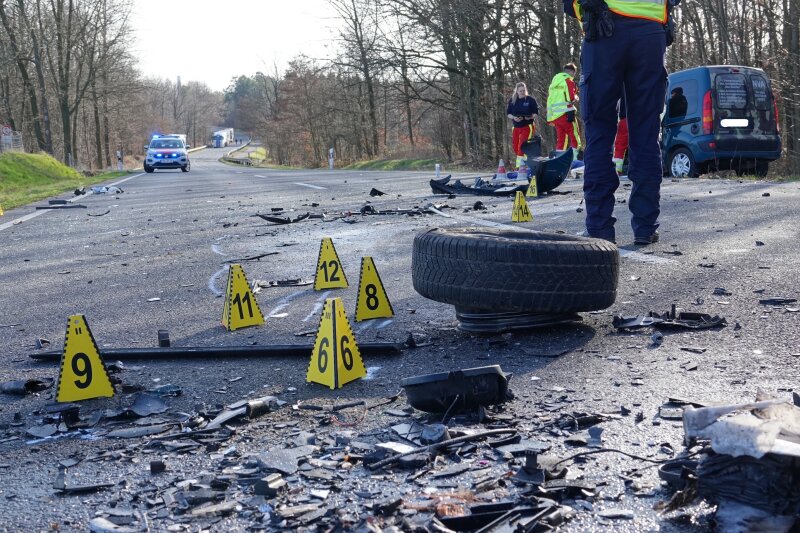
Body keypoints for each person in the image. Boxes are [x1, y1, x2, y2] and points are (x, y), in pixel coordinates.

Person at [565, 0, 677, 245]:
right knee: (646, 134)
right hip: (650, 32)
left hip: (604, 28)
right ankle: (646, 227)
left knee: (599, 134)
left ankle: (599, 227)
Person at [547, 63, 581, 153]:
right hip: (567, 114)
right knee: (574, 136)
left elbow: (549, 101)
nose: (574, 75)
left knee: (561, 139)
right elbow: (571, 98)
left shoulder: (553, 84)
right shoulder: (569, 81)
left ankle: (559, 158)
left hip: (556, 116)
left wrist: (549, 118)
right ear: (571, 72)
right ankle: (575, 159)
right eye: (574, 73)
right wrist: (576, 97)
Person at [506, 82, 539, 171]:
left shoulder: (530, 100)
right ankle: (525, 163)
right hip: (516, 126)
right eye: (520, 91)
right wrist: (514, 118)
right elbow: (508, 114)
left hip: (527, 126)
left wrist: (530, 117)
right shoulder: (512, 100)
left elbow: (535, 114)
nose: (522, 92)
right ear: (516, 91)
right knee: (515, 147)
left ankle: (520, 167)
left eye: (524, 90)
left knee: (522, 146)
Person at [613, 97, 628, 175]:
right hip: (639, 119)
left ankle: (618, 169)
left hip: (624, 119)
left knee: (620, 145)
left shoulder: (622, 86)